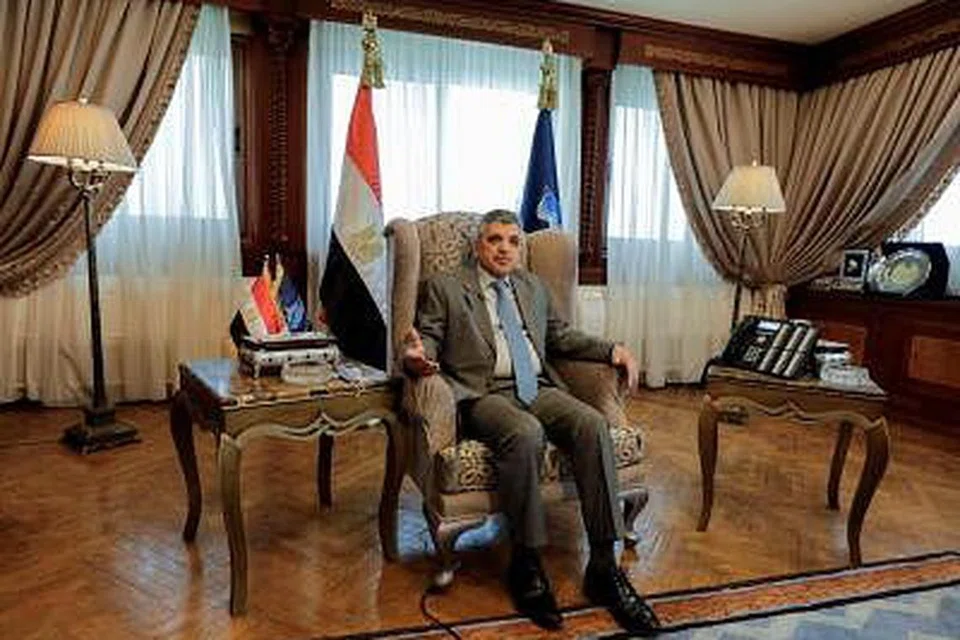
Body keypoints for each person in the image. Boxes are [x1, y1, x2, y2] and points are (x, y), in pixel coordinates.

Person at [402, 209, 661, 636]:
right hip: (485, 394)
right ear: (478, 246)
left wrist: (611, 349)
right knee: (525, 432)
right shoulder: (446, 288)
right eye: (494, 240)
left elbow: (559, 337)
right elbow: (426, 340)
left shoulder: (532, 287)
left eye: (513, 241)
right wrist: (416, 357)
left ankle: (603, 567)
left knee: (592, 424)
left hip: (539, 387)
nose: (504, 249)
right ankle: (526, 562)